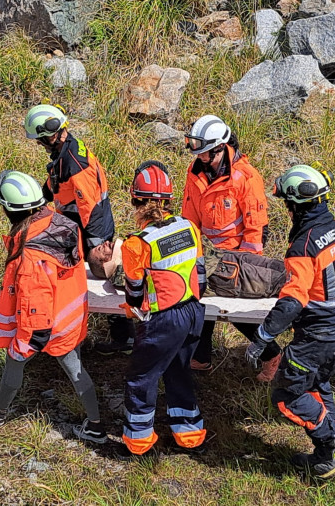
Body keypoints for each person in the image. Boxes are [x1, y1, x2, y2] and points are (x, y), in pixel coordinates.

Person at [0, 171, 106, 444]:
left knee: (13, 363)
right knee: (76, 370)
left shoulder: (30, 255)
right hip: (70, 319)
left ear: (10, 210)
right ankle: (96, 426)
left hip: (45, 325)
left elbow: (36, 304)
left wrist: (26, 342)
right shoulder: (65, 225)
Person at [246, 165, 335, 478]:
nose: (285, 207)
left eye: (286, 202)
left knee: (288, 395)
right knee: (318, 384)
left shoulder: (304, 246)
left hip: (318, 336)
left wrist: (262, 335)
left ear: (296, 204)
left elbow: (292, 300)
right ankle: (326, 458)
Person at [23, 104, 136, 355]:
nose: (39, 144)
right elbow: (57, 182)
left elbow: (91, 206)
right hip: (81, 226)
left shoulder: (75, 162)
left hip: (91, 229)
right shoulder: (66, 152)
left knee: (104, 279)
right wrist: (39, 200)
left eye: (41, 140)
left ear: (50, 134)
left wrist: (96, 246)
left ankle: (123, 337)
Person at [118, 161, 208, 458]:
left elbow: (133, 290)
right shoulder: (189, 228)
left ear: (135, 200)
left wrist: (133, 308)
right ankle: (190, 434)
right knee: (177, 370)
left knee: (141, 377)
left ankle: (138, 441)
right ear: (169, 200)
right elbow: (201, 274)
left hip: (163, 319)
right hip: (194, 312)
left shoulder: (136, 243)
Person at [181, 114, 275, 372]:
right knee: (199, 302)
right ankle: (200, 357)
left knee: (237, 312)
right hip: (206, 253)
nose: (200, 157)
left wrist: (246, 265)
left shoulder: (245, 176)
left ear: (221, 147)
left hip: (237, 256)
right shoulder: (195, 172)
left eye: (205, 153)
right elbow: (189, 215)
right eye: (198, 152)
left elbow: (256, 226)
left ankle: (271, 355)